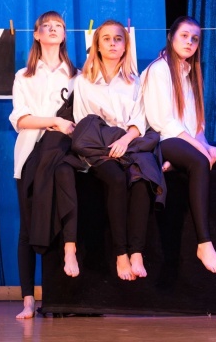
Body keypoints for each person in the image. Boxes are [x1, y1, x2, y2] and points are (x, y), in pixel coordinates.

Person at [142, 15, 216, 275]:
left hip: (186, 141)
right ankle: (204, 244)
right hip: (164, 140)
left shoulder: (191, 73)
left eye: (195, 39)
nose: (190, 42)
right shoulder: (159, 70)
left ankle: (177, 164)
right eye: (184, 36)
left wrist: (206, 145)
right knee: (200, 160)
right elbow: (164, 122)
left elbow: (196, 124)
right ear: (171, 37)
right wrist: (200, 150)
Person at [73, 19, 155, 281]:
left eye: (118, 39)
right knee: (118, 179)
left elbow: (139, 120)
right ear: (97, 45)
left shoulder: (135, 82)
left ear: (125, 46)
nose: (112, 43)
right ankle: (121, 253)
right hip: (98, 148)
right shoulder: (83, 81)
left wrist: (125, 140)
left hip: (127, 144)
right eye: (106, 39)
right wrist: (106, 146)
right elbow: (83, 123)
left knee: (142, 180)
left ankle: (137, 252)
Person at [9, 11, 79, 319]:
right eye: (46, 26)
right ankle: (27, 299)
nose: (52, 30)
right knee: (28, 228)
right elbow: (21, 119)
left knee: (62, 222)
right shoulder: (23, 76)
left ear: (64, 34)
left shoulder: (77, 76)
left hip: (63, 157)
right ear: (36, 34)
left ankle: (61, 299)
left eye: (58, 26)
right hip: (29, 157)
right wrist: (54, 121)